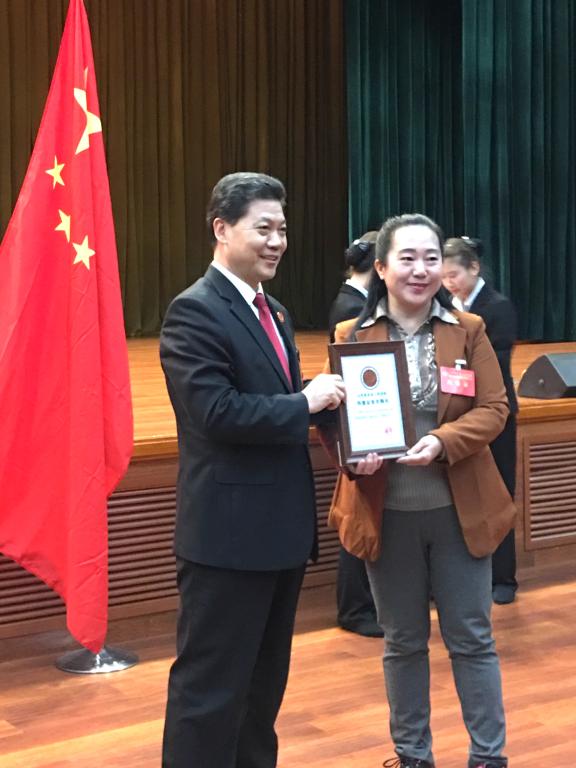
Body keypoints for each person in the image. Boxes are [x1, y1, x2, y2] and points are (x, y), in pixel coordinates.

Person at [159, 172, 345, 768]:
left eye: (282, 230)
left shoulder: (276, 312)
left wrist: (345, 425)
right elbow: (216, 413)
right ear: (222, 228)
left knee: (262, 690)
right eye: (263, 228)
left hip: (279, 534)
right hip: (228, 538)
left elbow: (280, 406)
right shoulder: (194, 311)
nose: (277, 242)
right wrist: (305, 403)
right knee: (210, 693)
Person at [325, 213, 516, 768]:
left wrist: (441, 440)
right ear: (381, 268)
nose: (421, 269)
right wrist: (352, 456)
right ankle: (412, 755)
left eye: (431, 258)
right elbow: (336, 422)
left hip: (460, 510)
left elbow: (495, 409)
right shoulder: (352, 335)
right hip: (386, 512)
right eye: (406, 258)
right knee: (403, 641)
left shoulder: (468, 328)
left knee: (472, 638)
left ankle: (488, 757)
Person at [442, 237, 519, 605]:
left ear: (473, 268)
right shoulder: (446, 308)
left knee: (499, 493)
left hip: (494, 413)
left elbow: (494, 369)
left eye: (453, 275)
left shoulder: (497, 307)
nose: (448, 283)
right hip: (460, 414)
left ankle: (504, 577)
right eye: (443, 277)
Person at [328, 232, 383, 637]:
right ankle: (355, 608)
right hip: (361, 421)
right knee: (358, 519)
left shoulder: (353, 300)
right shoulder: (353, 309)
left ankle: (366, 605)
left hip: (370, 418)